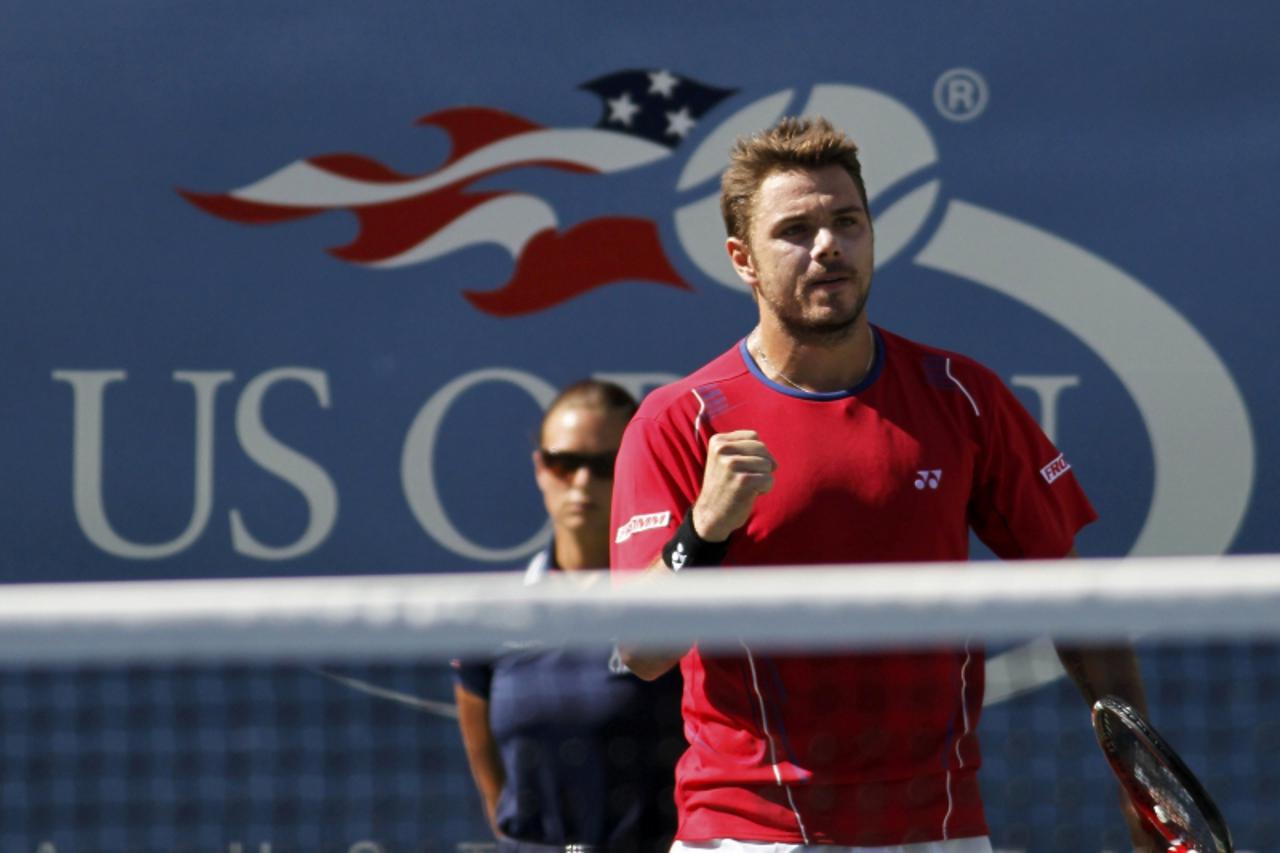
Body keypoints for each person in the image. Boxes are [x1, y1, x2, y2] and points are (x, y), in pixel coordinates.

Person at [608, 118, 1162, 851]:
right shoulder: (679, 418)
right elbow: (640, 648)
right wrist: (704, 528)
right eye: (795, 231)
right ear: (742, 259)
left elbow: (1077, 602)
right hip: (745, 832)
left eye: (846, 221)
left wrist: (1145, 788)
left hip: (936, 829)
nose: (828, 245)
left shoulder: (965, 396)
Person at [454, 379, 684, 852]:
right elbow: (493, 780)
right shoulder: (492, 617)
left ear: (634, 469)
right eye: (564, 463)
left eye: (605, 466)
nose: (582, 482)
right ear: (540, 468)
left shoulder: (672, 607)